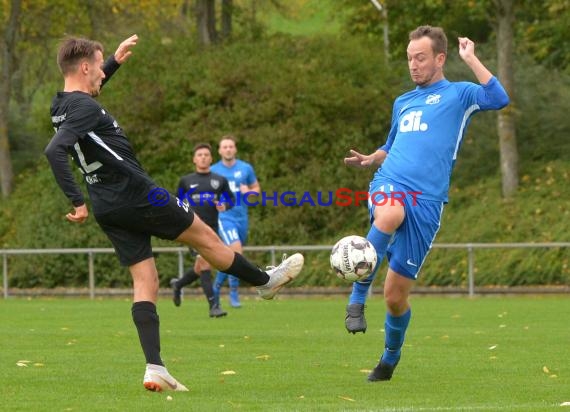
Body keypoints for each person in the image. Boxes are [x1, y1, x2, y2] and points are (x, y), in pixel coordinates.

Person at [44, 35, 304, 392]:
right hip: (137, 193)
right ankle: (265, 282)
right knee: (207, 239)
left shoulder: (61, 106)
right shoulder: (86, 108)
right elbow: (54, 151)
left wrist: (114, 63)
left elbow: (82, 102)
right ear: (85, 67)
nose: (102, 76)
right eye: (99, 67)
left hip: (108, 204)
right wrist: (75, 200)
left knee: (145, 281)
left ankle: (155, 367)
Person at [342, 25, 509, 381]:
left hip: (428, 202)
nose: (413, 65)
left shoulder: (460, 94)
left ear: (440, 58)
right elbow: (391, 146)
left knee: (395, 297)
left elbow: (499, 98)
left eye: (420, 58)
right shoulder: (402, 102)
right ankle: (356, 298)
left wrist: (472, 59)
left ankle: (389, 358)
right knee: (388, 212)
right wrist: (373, 159)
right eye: (409, 58)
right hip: (390, 185)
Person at [170, 143, 234, 318]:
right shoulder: (186, 181)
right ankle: (214, 306)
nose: (203, 157)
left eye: (206, 155)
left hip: (212, 229)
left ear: (211, 158)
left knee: (200, 267)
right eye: (200, 155)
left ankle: (178, 284)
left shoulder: (220, 180)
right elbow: (177, 204)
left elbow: (231, 200)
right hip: (192, 229)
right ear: (194, 159)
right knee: (205, 264)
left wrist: (224, 205)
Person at [211, 136, 260, 308]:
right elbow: (206, 193)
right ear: (220, 150)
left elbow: (256, 190)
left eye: (231, 146)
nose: (228, 149)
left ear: (235, 149)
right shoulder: (213, 170)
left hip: (242, 217)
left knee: (229, 256)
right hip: (224, 218)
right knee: (236, 251)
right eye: (225, 147)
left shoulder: (245, 168)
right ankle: (233, 292)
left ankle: (215, 289)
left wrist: (249, 192)